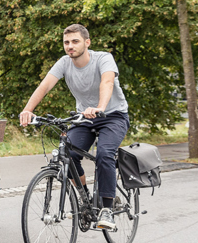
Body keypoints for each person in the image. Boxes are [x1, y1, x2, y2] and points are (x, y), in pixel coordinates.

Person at [18, 23, 130, 230]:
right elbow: (45, 86)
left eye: (75, 41)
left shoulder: (103, 58)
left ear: (87, 43)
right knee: (67, 152)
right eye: (66, 42)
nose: (70, 46)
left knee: (104, 153)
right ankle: (84, 197)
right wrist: (28, 110)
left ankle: (106, 208)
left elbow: (107, 83)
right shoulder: (63, 63)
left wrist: (99, 107)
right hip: (84, 118)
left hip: (113, 115)